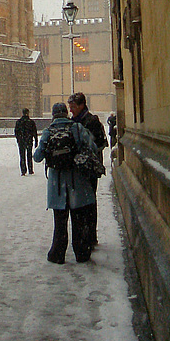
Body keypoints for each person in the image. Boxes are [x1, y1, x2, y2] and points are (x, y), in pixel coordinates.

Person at [33, 102, 98, 264]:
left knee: (60, 223)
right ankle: (82, 253)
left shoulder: (49, 132)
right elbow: (93, 147)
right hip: (78, 185)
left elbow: (37, 157)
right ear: (66, 114)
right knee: (78, 221)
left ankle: (57, 253)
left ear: (54, 115)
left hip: (58, 187)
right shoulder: (77, 129)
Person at [67, 92, 108, 248]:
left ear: (82, 105)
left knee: (89, 202)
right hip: (77, 169)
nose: (71, 110)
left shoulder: (91, 121)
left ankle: (90, 236)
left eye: (73, 107)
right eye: (70, 107)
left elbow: (100, 143)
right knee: (80, 203)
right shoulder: (72, 122)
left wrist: (87, 151)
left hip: (89, 168)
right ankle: (84, 236)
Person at [14, 108, 38, 176]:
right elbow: (34, 132)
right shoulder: (31, 122)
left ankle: (23, 170)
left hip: (21, 141)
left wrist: (18, 139)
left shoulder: (19, 122)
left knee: (22, 156)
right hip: (29, 141)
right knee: (29, 155)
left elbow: (16, 132)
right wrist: (36, 140)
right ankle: (30, 169)